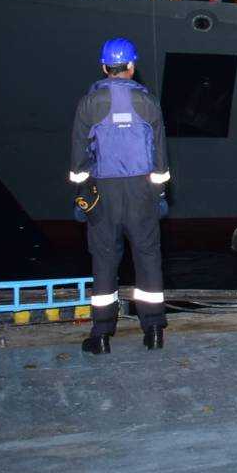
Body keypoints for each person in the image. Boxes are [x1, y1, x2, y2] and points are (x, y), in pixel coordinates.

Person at [69, 38, 171, 354]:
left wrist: (83, 197)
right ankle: (154, 330)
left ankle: (101, 335)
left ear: (104, 67)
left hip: (104, 192)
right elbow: (161, 160)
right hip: (142, 192)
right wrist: (160, 194)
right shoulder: (149, 103)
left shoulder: (89, 103)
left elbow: (78, 161)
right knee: (148, 257)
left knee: (103, 259)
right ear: (131, 66)